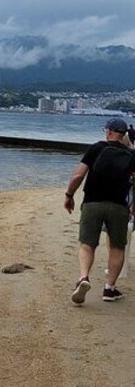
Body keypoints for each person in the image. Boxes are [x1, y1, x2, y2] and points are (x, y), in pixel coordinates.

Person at [66, 118, 135, 304]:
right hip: (119, 207)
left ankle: (83, 278)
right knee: (117, 247)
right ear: (124, 135)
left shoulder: (97, 148)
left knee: (87, 244)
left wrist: (69, 195)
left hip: (92, 203)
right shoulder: (131, 155)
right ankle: (110, 289)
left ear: (110, 132)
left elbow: (79, 175)